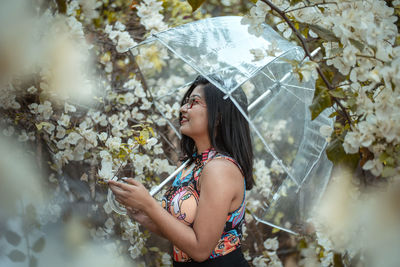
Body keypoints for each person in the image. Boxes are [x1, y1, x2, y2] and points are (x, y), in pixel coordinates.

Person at [109, 75, 254, 266]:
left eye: (194, 102)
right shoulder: (190, 165)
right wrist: (144, 214)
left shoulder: (220, 169)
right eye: (186, 102)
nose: (183, 109)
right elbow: (183, 231)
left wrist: (149, 205)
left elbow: (201, 249)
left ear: (218, 116)